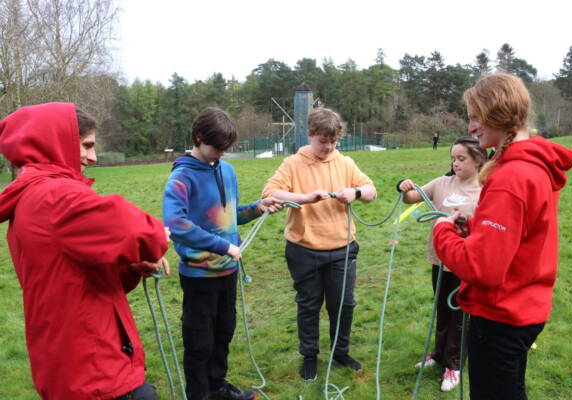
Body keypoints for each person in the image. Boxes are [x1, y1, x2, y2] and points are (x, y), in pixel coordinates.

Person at [0, 102, 170, 400]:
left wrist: (129, 268)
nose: (92, 157)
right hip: (94, 370)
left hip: (68, 358)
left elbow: (73, 274)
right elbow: (137, 232)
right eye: (86, 145)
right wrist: (159, 234)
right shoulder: (55, 196)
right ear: (56, 142)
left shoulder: (30, 197)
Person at [433, 73, 572, 399]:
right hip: (525, 305)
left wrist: (443, 231)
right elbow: (520, 235)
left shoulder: (512, 177)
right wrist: (477, 230)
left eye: (475, 117)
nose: (471, 128)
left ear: (496, 112)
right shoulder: (533, 166)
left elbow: (481, 268)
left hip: (501, 316)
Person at [162, 107, 282, 400]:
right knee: (199, 341)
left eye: (225, 149)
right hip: (199, 275)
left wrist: (258, 208)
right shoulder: (182, 177)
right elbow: (176, 225)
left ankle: (217, 388)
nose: (221, 154)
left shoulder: (226, 170)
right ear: (199, 137)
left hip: (229, 271)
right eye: (217, 148)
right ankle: (199, 394)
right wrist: (222, 246)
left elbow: (229, 217)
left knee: (223, 333)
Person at [261, 107, 377, 381]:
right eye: (323, 141)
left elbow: (371, 191)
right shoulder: (292, 163)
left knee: (344, 305)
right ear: (310, 134)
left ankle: (340, 352)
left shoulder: (346, 163)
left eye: (333, 141)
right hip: (303, 250)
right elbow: (269, 193)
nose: (328, 147)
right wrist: (305, 197)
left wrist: (356, 192)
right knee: (309, 305)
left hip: (342, 250)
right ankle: (310, 356)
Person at [397, 136, 487, 392]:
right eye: (453, 158)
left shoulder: (484, 190)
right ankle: (438, 355)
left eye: (461, 158)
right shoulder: (442, 182)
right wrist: (404, 186)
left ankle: (454, 365)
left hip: (465, 264)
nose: (455, 163)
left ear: (478, 160)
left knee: (460, 314)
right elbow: (412, 198)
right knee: (443, 310)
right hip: (440, 260)